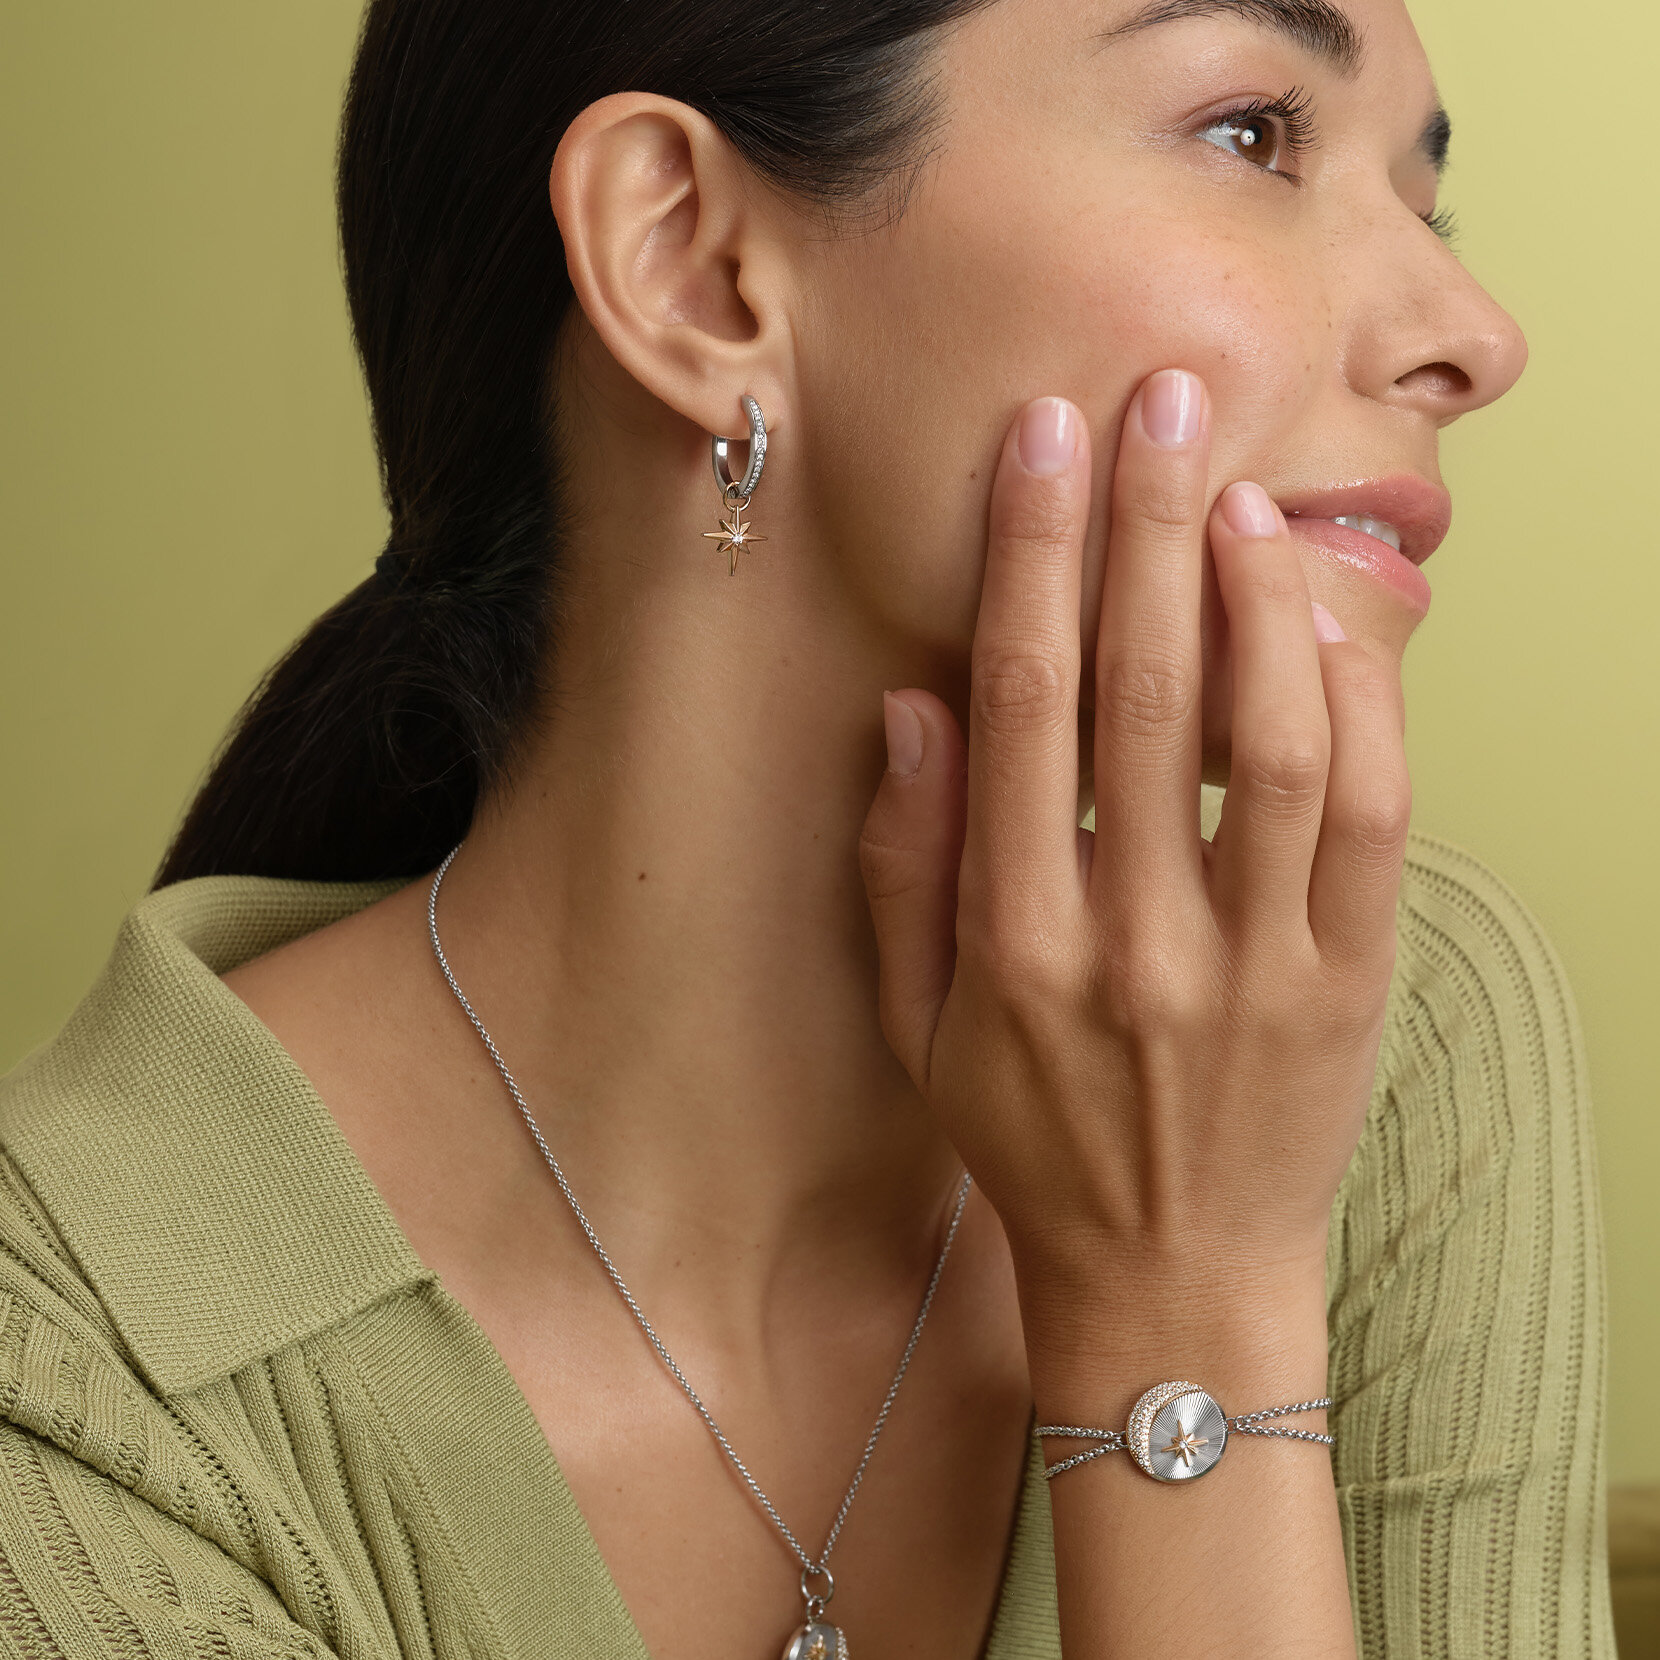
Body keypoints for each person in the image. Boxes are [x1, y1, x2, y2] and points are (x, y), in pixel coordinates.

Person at [0, 0, 1615, 1654]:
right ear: (694, 268)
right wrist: (1179, 1298)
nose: (1474, 336)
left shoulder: (1389, 1036)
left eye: (1427, 204)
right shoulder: (65, 1375)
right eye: (1251, 134)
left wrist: (1187, 1286)